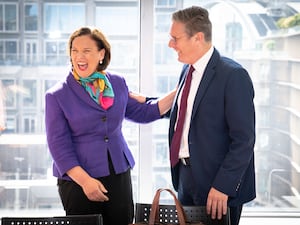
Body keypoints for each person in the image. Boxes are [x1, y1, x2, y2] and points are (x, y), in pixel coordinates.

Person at [45, 26, 176, 225]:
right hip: (79, 180)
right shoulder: (57, 95)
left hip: (118, 172)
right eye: (75, 50)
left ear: (101, 54)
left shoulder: (116, 82)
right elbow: (58, 146)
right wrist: (85, 181)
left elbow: (143, 111)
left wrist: (181, 89)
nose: (79, 56)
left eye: (86, 51)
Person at [167, 6, 256, 225]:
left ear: (198, 38)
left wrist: (223, 186)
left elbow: (244, 140)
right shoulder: (187, 70)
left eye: (175, 38)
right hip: (186, 179)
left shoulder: (234, 75)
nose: (171, 44)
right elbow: (188, 114)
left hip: (217, 185)